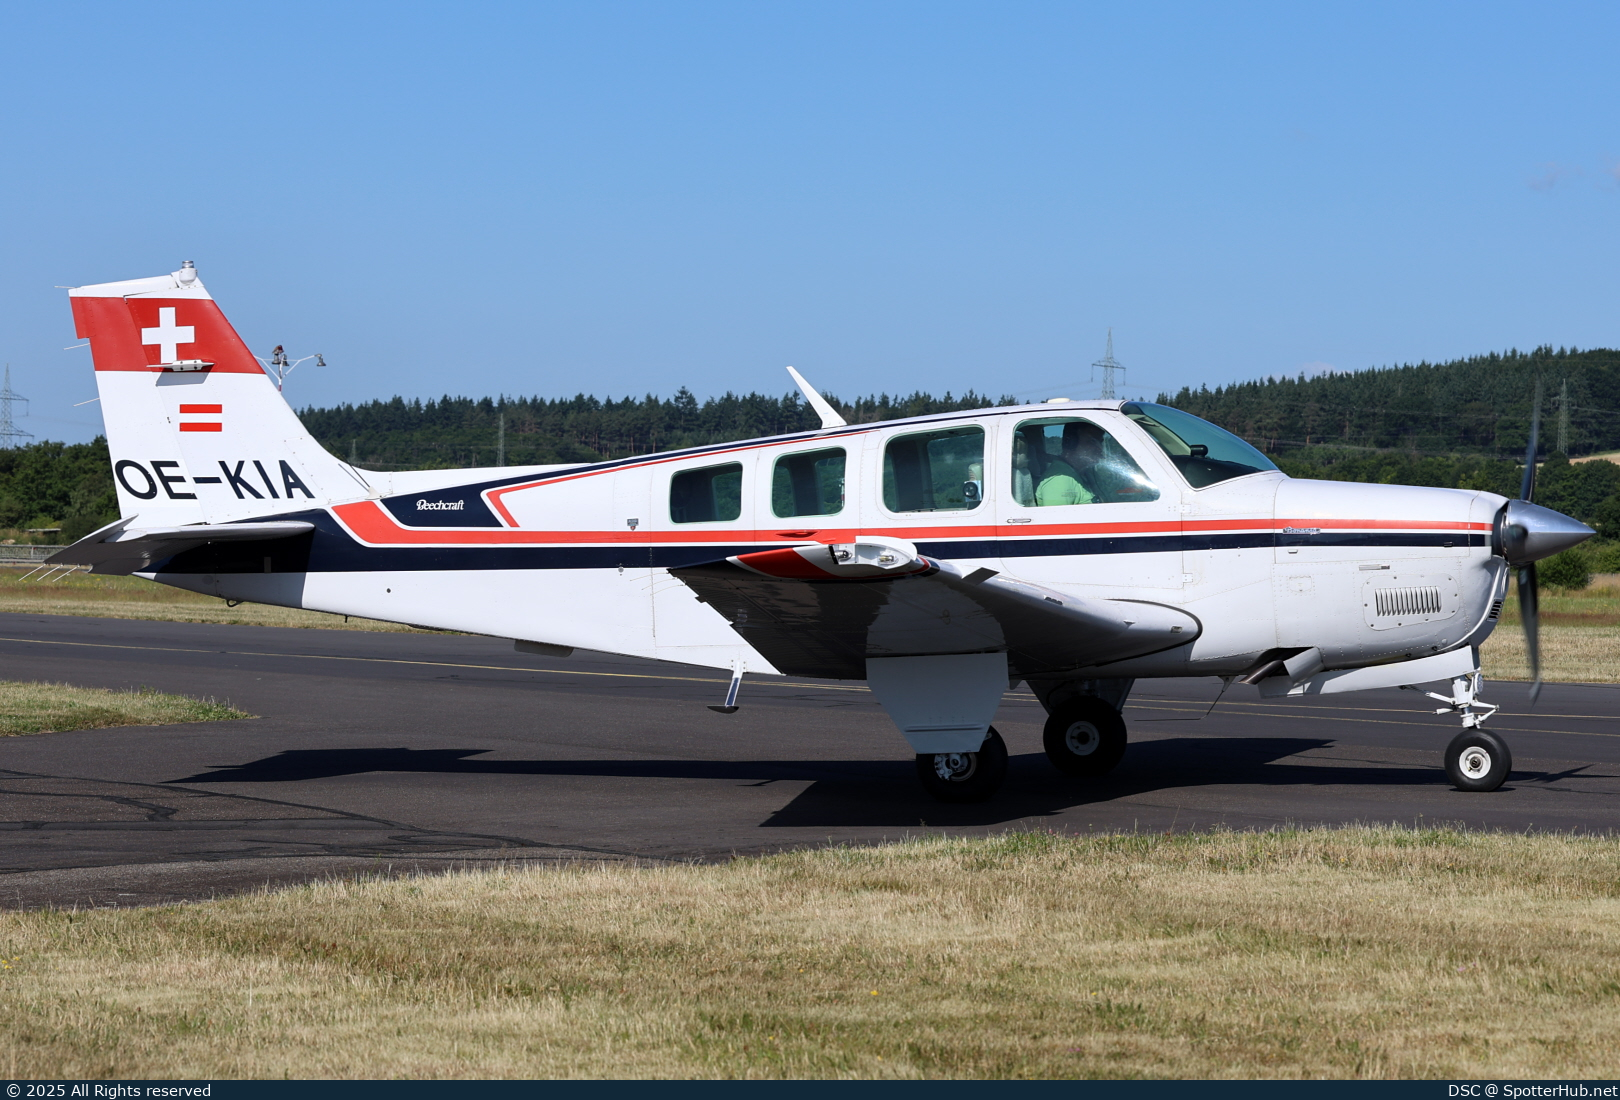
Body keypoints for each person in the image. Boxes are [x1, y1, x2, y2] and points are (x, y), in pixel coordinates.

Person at [1034, 421, 1105, 506]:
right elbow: (1056, 518)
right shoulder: (1061, 480)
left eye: (1100, 442)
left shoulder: (1083, 474)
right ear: (1071, 443)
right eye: (1091, 441)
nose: (1100, 448)